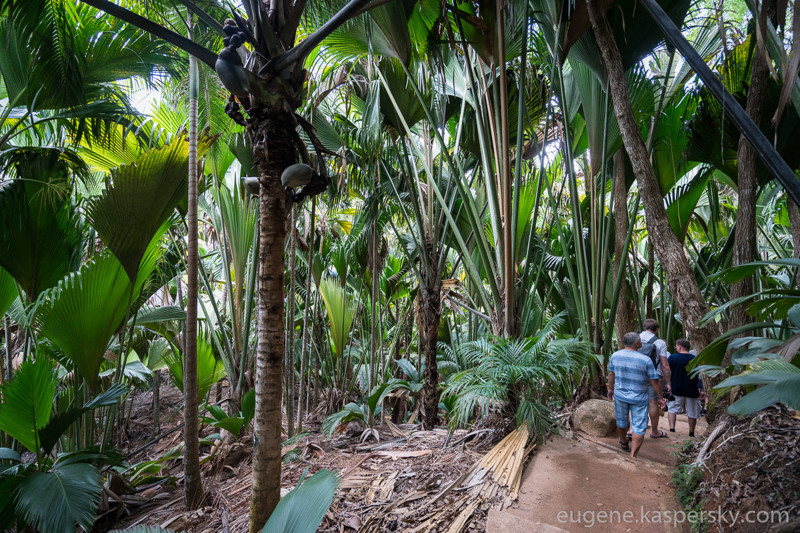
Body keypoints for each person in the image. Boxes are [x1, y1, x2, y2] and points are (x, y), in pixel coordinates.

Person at [607, 332, 667, 458]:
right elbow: (654, 381)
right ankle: (633, 455)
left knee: (621, 421)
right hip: (639, 398)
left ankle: (624, 442)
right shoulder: (645, 360)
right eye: (640, 341)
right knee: (639, 426)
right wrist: (660, 398)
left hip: (620, 395)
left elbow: (611, 374)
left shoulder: (615, 356)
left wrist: (610, 389)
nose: (642, 343)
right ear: (636, 343)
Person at [667, 338, 706, 438]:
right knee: (692, 411)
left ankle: (672, 429)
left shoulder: (672, 358)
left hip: (676, 388)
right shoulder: (694, 359)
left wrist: (667, 385)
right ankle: (691, 433)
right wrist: (700, 388)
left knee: (672, 408)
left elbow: (667, 372)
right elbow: (700, 375)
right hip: (691, 389)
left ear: (679, 347)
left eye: (676, 346)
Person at [639, 319, 671, 439]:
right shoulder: (660, 343)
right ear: (656, 329)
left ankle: (634, 429)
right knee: (653, 403)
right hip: (654, 376)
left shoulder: (635, 339)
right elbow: (664, 364)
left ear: (644, 327)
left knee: (637, 401)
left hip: (638, 374)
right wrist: (668, 382)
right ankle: (654, 431)